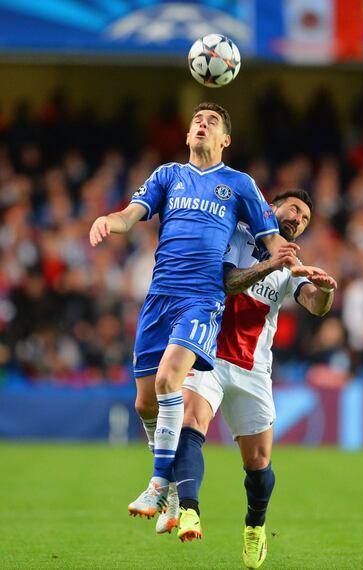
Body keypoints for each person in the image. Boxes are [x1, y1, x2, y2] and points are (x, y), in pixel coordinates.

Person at [89, 103, 311, 519]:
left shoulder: (240, 184)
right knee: (144, 404)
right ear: (188, 135)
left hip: (203, 296)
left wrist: (296, 265)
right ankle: (173, 486)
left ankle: (158, 483)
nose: (201, 125)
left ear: (226, 139)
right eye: (196, 121)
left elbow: (272, 237)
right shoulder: (167, 176)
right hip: (160, 296)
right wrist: (108, 220)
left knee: (171, 378)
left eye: (211, 122)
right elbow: (129, 215)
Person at [156, 190, 336, 569]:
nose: (298, 221)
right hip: (208, 355)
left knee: (259, 464)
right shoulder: (235, 235)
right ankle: (189, 509)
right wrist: (272, 265)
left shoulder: (291, 265)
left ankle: (255, 526)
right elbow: (227, 282)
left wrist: (324, 291)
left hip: (253, 369)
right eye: (295, 210)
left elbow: (314, 305)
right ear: (272, 207)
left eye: (305, 219)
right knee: (191, 421)